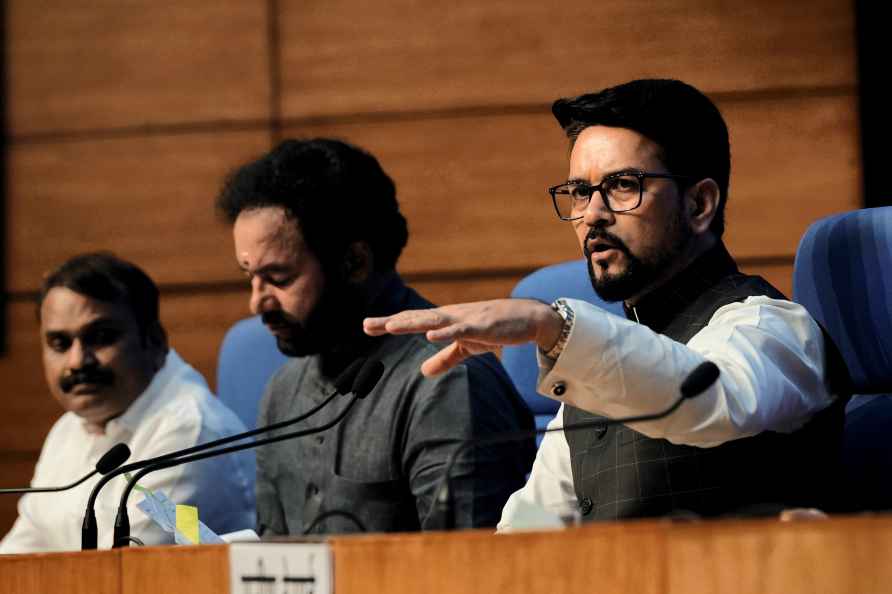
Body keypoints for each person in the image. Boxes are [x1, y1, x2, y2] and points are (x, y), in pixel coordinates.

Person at [364, 79, 850, 527]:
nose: (592, 214)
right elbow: (529, 533)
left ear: (699, 204)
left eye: (623, 185)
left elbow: (710, 402)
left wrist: (551, 327)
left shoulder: (773, 327)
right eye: (579, 192)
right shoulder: (589, 371)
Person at [215, 138, 535, 534]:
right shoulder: (282, 393)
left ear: (355, 262)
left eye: (278, 278)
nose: (256, 302)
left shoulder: (449, 382)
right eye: (250, 277)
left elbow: (470, 570)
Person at [0, 253, 255, 552]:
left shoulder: (190, 434)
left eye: (101, 337)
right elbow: (21, 552)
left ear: (155, 341)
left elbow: (120, 575)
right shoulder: (69, 428)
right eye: (60, 343)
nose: (77, 361)